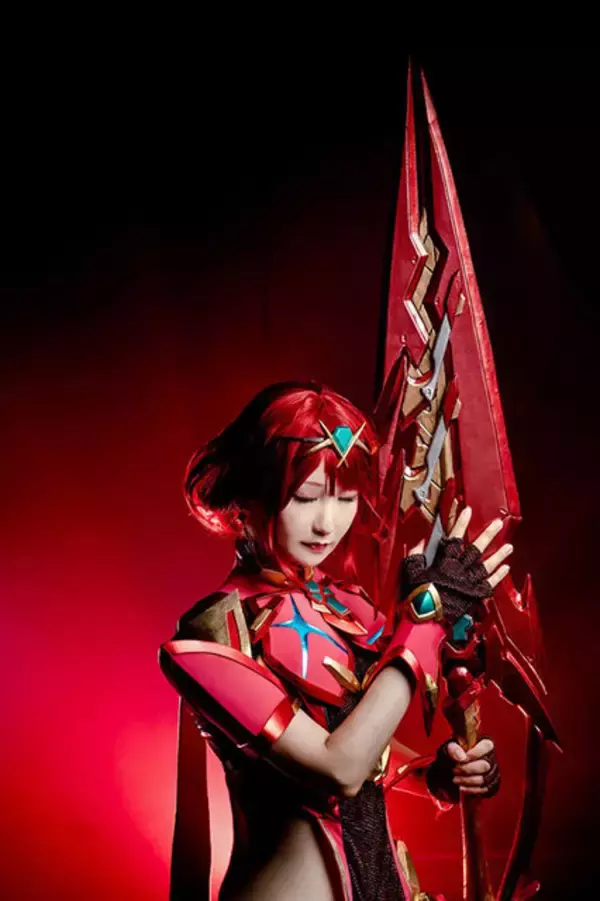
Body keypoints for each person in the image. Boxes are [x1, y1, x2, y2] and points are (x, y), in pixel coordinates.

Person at [160, 381, 509, 901]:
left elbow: (367, 753)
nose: (327, 523)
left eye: (345, 499)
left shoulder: (345, 606)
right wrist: (426, 621)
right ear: (249, 495)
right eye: (305, 498)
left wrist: (435, 775)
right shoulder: (211, 637)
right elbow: (338, 768)